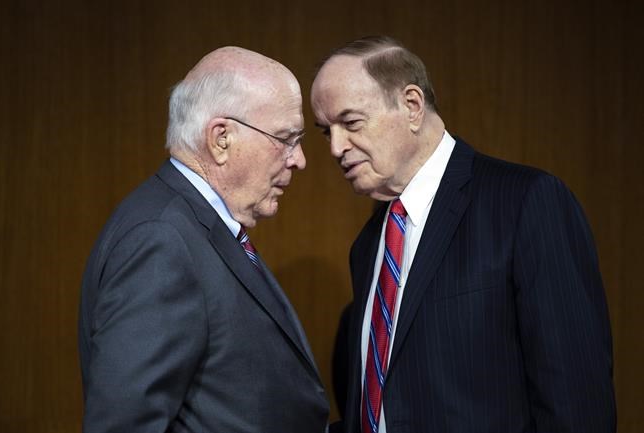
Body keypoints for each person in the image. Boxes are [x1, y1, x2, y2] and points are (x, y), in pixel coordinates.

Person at [312, 36, 615, 433]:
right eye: (326, 132)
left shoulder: (525, 202)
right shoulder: (369, 243)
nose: (336, 148)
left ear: (412, 106)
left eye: (351, 123)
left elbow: (577, 402)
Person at [78, 46, 329, 433]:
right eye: (286, 138)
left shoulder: (192, 228)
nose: (299, 159)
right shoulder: (161, 241)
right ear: (221, 139)